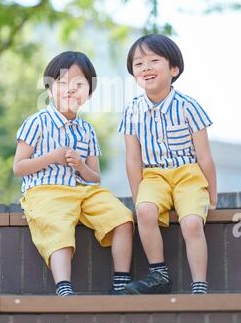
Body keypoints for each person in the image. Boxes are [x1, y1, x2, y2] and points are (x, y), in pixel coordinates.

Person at [13, 51, 133, 296]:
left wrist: (80, 165)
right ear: (49, 89)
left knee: (123, 217)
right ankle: (64, 286)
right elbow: (19, 167)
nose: (70, 89)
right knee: (58, 227)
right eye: (62, 83)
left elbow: (95, 177)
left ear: (88, 94)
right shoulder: (36, 122)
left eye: (79, 85)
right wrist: (50, 158)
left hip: (82, 191)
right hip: (45, 192)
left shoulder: (87, 130)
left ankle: (121, 282)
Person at [119, 34, 217, 295]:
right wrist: (139, 198)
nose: (146, 68)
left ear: (173, 69)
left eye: (154, 60)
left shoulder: (189, 106)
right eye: (138, 64)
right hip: (153, 176)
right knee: (146, 211)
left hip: (189, 175)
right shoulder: (131, 110)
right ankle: (158, 274)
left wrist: (213, 195)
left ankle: (199, 285)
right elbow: (132, 159)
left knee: (192, 223)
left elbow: (205, 156)